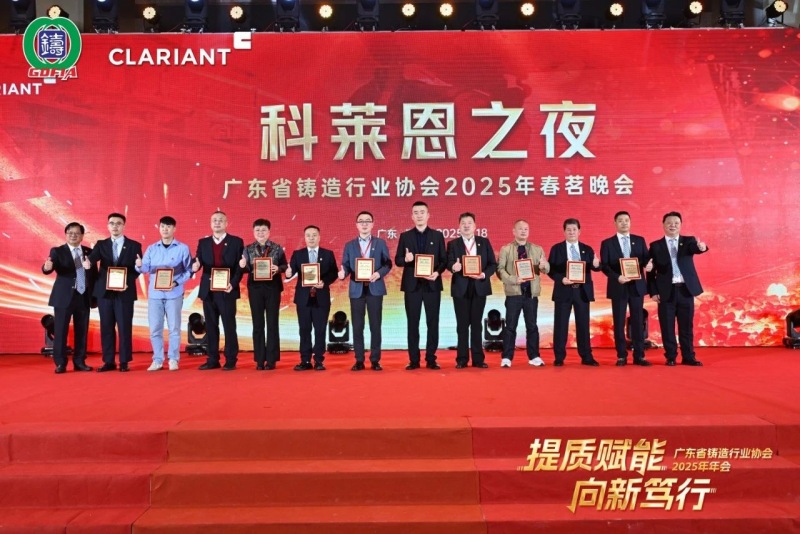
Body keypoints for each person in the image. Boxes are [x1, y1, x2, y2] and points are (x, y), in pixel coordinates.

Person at [647, 211, 708, 366]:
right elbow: (650, 271)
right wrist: (653, 292)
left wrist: (702, 247)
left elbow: (697, 248)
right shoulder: (655, 246)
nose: (672, 225)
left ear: (680, 225)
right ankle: (671, 356)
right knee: (667, 326)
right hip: (665, 292)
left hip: (685, 290)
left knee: (686, 326)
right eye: (669, 223)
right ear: (663, 225)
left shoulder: (688, 241)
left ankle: (688, 356)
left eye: (676, 223)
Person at [85, 212, 142, 373]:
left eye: (118, 223)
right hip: (105, 293)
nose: (115, 226)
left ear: (123, 226)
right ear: (107, 226)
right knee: (106, 327)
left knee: (124, 327)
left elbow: (136, 269)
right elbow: (92, 259)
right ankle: (108, 361)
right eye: (112, 223)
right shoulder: (101, 244)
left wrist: (129, 278)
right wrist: (88, 263)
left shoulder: (134, 245)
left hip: (125, 292)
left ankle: (124, 361)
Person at [394, 201, 447, 370]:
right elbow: (397, 260)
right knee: (412, 323)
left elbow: (444, 260)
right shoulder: (405, 236)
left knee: (433, 322)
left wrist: (437, 272)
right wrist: (406, 259)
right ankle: (414, 360)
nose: (419, 215)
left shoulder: (437, 236)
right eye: (416, 212)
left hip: (432, 285)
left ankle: (431, 359)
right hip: (412, 286)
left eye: (422, 212)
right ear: (412, 216)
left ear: (428, 215)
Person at [136, 216, 193, 371]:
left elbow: (189, 271)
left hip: (174, 293)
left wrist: (176, 282)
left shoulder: (183, 248)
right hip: (155, 295)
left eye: (168, 226)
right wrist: (139, 265)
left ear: (174, 229)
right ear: (159, 228)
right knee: (155, 328)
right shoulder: (151, 248)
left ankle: (173, 359)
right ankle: (158, 359)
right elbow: (145, 269)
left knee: (174, 328)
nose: (165, 229)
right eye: (162, 226)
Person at [338, 211, 392, 371]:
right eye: (361, 221)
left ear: (373, 224)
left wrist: (378, 274)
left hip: (375, 289)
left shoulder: (380, 243)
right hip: (357, 290)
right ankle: (359, 360)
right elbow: (346, 265)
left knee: (375, 326)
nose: (364, 224)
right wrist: (343, 274)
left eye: (367, 221)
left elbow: (388, 263)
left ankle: (375, 360)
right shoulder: (349, 245)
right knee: (357, 326)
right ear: (356, 225)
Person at [192, 211, 245, 371]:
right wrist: (195, 265)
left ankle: (231, 359)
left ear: (226, 223)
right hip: (208, 290)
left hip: (227, 289)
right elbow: (198, 260)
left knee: (229, 325)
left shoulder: (236, 242)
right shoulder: (203, 242)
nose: (217, 223)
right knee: (211, 325)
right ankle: (212, 359)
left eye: (220, 220)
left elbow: (240, 267)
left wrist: (233, 284)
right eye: (214, 220)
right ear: (210, 223)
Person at [600, 211, 654, 367]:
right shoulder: (607, 243)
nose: (624, 223)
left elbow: (646, 259)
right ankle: (621, 356)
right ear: (615, 223)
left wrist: (649, 265)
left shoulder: (639, 240)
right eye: (620, 220)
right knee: (619, 322)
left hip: (637, 286)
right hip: (618, 285)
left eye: (626, 220)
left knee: (638, 321)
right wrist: (617, 277)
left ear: (630, 222)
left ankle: (639, 355)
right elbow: (605, 266)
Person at [42, 222, 97, 374]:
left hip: (83, 296)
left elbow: (93, 276)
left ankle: (80, 361)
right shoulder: (57, 251)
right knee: (60, 331)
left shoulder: (89, 252)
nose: (73, 235)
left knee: (82, 331)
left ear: (82, 236)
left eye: (77, 233)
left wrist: (94, 297)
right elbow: (48, 267)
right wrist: (46, 267)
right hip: (64, 297)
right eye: (70, 233)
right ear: (66, 234)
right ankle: (60, 363)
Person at [547, 218, 602, 366]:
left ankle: (586, 356)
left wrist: (597, 264)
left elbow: (595, 267)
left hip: (582, 292)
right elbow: (550, 270)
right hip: (563, 290)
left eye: (574, 229)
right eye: (568, 230)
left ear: (579, 231)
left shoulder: (587, 249)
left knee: (583, 325)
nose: (571, 232)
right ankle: (559, 357)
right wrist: (561, 279)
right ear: (564, 232)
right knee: (560, 325)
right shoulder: (556, 249)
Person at [496, 219, 550, 368]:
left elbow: (546, 269)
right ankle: (507, 357)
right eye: (520, 229)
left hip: (531, 294)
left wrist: (544, 265)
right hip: (514, 293)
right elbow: (500, 270)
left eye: (526, 229)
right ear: (514, 231)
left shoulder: (537, 249)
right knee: (510, 327)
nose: (523, 231)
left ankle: (534, 356)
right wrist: (513, 279)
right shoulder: (506, 249)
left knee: (532, 326)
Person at [446, 212, 497, 368]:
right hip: (460, 288)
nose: (466, 225)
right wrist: (453, 267)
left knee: (476, 324)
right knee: (462, 325)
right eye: (463, 223)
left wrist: (484, 274)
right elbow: (448, 263)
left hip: (479, 286)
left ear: (475, 226)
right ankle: (462, 359)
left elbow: (493, 264)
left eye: (469, 223)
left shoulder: (484, 242)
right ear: (459, 226)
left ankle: (478, 359)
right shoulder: (453, 244)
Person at [286, 225, 338, 371]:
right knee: (304, 329)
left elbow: (334, 273)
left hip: (321, 297)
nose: (311, 238)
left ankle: (319, 360)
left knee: (320, 329)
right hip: (303, 298)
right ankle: (305, 360)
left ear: (319, 237)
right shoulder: (298, 254)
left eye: (314, 235)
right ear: (304, 238)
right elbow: (291, 271)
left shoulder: (328, 254)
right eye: (308, 235)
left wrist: (324, 282)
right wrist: (289, 273)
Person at [239, 218, 288, 370]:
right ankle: (259, 359)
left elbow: (285, 265)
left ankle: (272, 360)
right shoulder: (248, 249)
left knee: (272, 323)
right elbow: (245, 269)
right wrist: (242, 265)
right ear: (253, 232)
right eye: (258, 230)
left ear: (269, 232)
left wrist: (278, 269)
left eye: (264, 230)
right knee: (258, 324)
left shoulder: (277, 248)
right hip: (255, 289)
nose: (261, 233)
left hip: (273, 288)